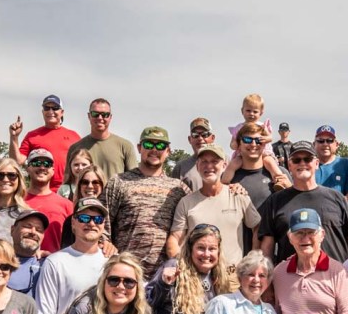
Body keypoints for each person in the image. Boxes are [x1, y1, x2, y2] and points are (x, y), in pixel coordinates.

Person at [104, 126, 190, 278]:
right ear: (139, 148)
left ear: (168, 151)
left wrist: (231, 187)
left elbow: (198, 210)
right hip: (127, 274)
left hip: (165, 275)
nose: (154, 150)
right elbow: (102, 221)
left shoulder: (178, 188)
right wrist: (105, 244)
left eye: (160, 145)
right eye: (149, 144)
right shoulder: (119, 182)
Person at [256, 141, 348, 264]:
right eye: (296, 160)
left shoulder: (337, 198)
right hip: (290, 274)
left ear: (316, 163)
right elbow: (267, 246)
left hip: (334, 274)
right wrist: (267, 273)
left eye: (307, 159)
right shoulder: (275, 201)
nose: (302, 163)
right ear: (289, 165)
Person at [168, 143, 260, 267]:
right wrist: (179, 265)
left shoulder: (238, 195)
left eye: (214, 161)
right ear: (197, 166)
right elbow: (175, 238)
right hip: (196, 274)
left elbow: (257, 227)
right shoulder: (186, 202)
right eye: (204, 161)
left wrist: (253, 260)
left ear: (224, 165)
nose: (209, 166)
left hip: (232, 274)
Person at [221, 122, 291, 251]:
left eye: (259, 140)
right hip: (235, 251)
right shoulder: (228, 177)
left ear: (265, 144)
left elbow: (294, 208)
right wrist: (227, 190)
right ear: (239, 144)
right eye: (247, 140)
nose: (253, 144)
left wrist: (290, 188)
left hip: (271, 253)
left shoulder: (281, 174)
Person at [9, 94, 81, 192]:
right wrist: (14, 137)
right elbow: (16, 161)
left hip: (68, 191)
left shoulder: (74, 136)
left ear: (62, 112)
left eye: (55, 108)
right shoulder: (32, 135)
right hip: (40, 191)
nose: (51, 111)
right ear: (43, 112)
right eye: (47, 108)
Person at [223, 93, 287, 187]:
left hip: (264, 153)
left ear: (261, 113)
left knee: (270, 162)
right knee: (232, 165)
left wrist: (265, 139)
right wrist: (237, 143)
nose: (251, 114)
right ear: (242, 111)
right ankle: (224, 183)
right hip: (242, 155)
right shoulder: (239, 127)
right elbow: (232, 145)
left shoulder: (262, 126)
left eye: (255, 111)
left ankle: (279, 180)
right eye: (248, 110)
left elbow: (270, 138)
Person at [67, 98, 139, 182]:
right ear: (89, 116)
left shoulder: (125, 146)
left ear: (110, 117)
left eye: (105, 114)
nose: (100, 118)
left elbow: (134, 181)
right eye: (95, 114)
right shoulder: (75, 148)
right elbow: (68, 181)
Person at [22, 148, 74, 253]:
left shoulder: (67, 205)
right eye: (36, 163)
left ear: (53, 170)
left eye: (47, 164)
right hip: (20, 261)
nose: (42, 167)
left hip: (55, 261)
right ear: (27, 168)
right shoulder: (17, 200)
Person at [7, 210, 48, 297]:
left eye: (39, 230)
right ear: (12, 230)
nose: (33, 232)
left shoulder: (49, 265)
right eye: (27, 226)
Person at [313, 125, 348, 203]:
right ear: (314, 144)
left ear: (336, 144)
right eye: (321, 141)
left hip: (339, 209)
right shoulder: (308, 165)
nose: (325, 144)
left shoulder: (346, 164)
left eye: (329, 140)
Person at [170, 117, 216, 191]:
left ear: (212, 138)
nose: (200, 138)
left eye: (204, 134)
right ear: (189, 139)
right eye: (195, 135)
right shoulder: (180, 167)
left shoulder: (226, 161)